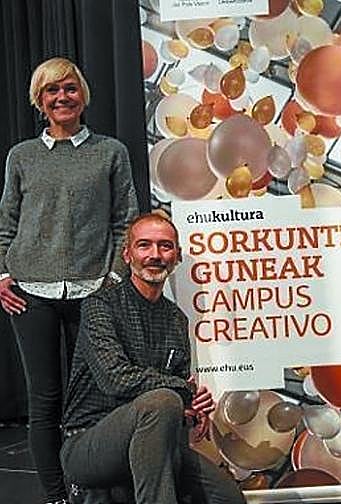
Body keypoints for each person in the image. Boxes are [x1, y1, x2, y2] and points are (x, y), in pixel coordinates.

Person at [0, 57, 137, 504]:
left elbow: (126, 221)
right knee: (45, 401)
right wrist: (3, 273)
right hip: (30, 294)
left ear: (83, 95)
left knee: (95, 397)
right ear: (39, 101)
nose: (62, 97)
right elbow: (6, 223)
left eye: (70, 88)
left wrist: (114, 279)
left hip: (92, 292)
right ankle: (57, 496)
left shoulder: (111, 152)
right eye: (52, 91)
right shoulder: (21, 156)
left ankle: (94, 490)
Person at [60, 213, 246, 504]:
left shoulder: (177, 319)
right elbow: (115, 380)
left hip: (153, 439)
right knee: (163, 400)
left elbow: (175, 396)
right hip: (88, 442)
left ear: (177, 257)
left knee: (227, 497)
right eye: (144, 245)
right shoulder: (100, 306)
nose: (155, 255)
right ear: (128, 255)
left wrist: (191, 410)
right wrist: (182, 391)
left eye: (165, 246)